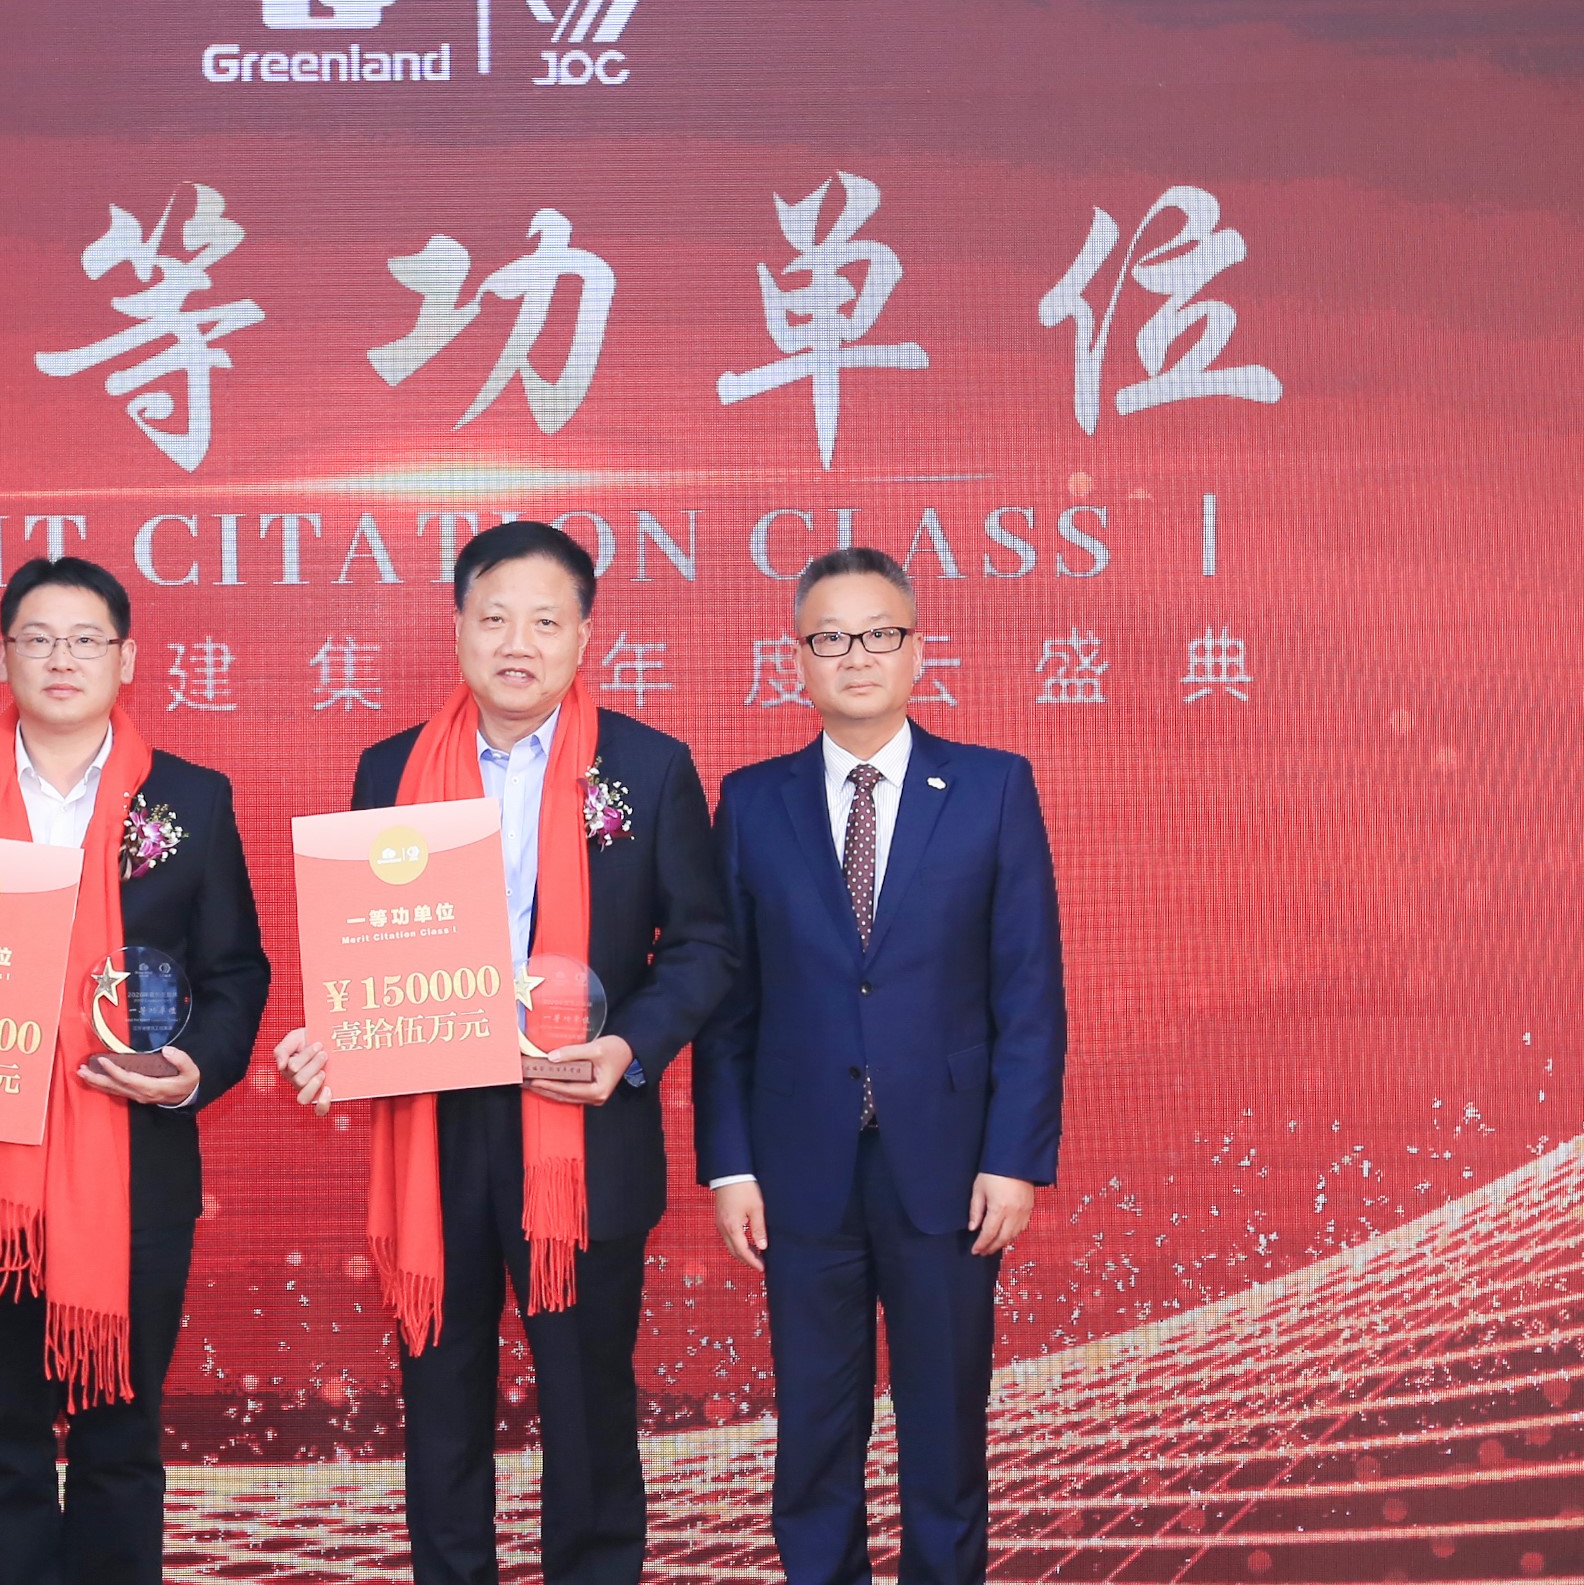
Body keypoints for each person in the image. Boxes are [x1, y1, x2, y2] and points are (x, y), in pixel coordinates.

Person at [274, 521, 733, 1585]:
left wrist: (630, 1045)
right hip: (435, 1127)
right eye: (493, 618)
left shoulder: (648, 766)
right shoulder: (391, 768)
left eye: (544, 621)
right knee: (440, 1400)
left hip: (580, 1126)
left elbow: (704, 946)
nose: (517, 642)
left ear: (583, 636)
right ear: (458, 629)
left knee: (585, 1402)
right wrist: (338, 1032)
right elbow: (370, 947)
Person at [0, 555, 271, 1585]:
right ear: (3, 655)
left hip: (136, 1165)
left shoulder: (190, 797)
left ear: (125, 659)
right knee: (2, 1435)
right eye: (39, 639)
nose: (62, 658)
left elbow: (235, 971)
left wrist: (191, 1068)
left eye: (86, 639)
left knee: (120, 1437)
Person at [693, 546, 1066, 1585]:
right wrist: (730, 1163)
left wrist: (1014, 1157)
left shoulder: (991, 786)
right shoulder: (751, 801)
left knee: (944, 1427)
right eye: (829, 637)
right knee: (815, 1431)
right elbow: (727, 1005)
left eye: (878, 633)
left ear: (916, 649)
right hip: (797, 1168)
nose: (854, 656)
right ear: (796, 659)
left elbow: (1028, 989)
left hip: (949, 1167)